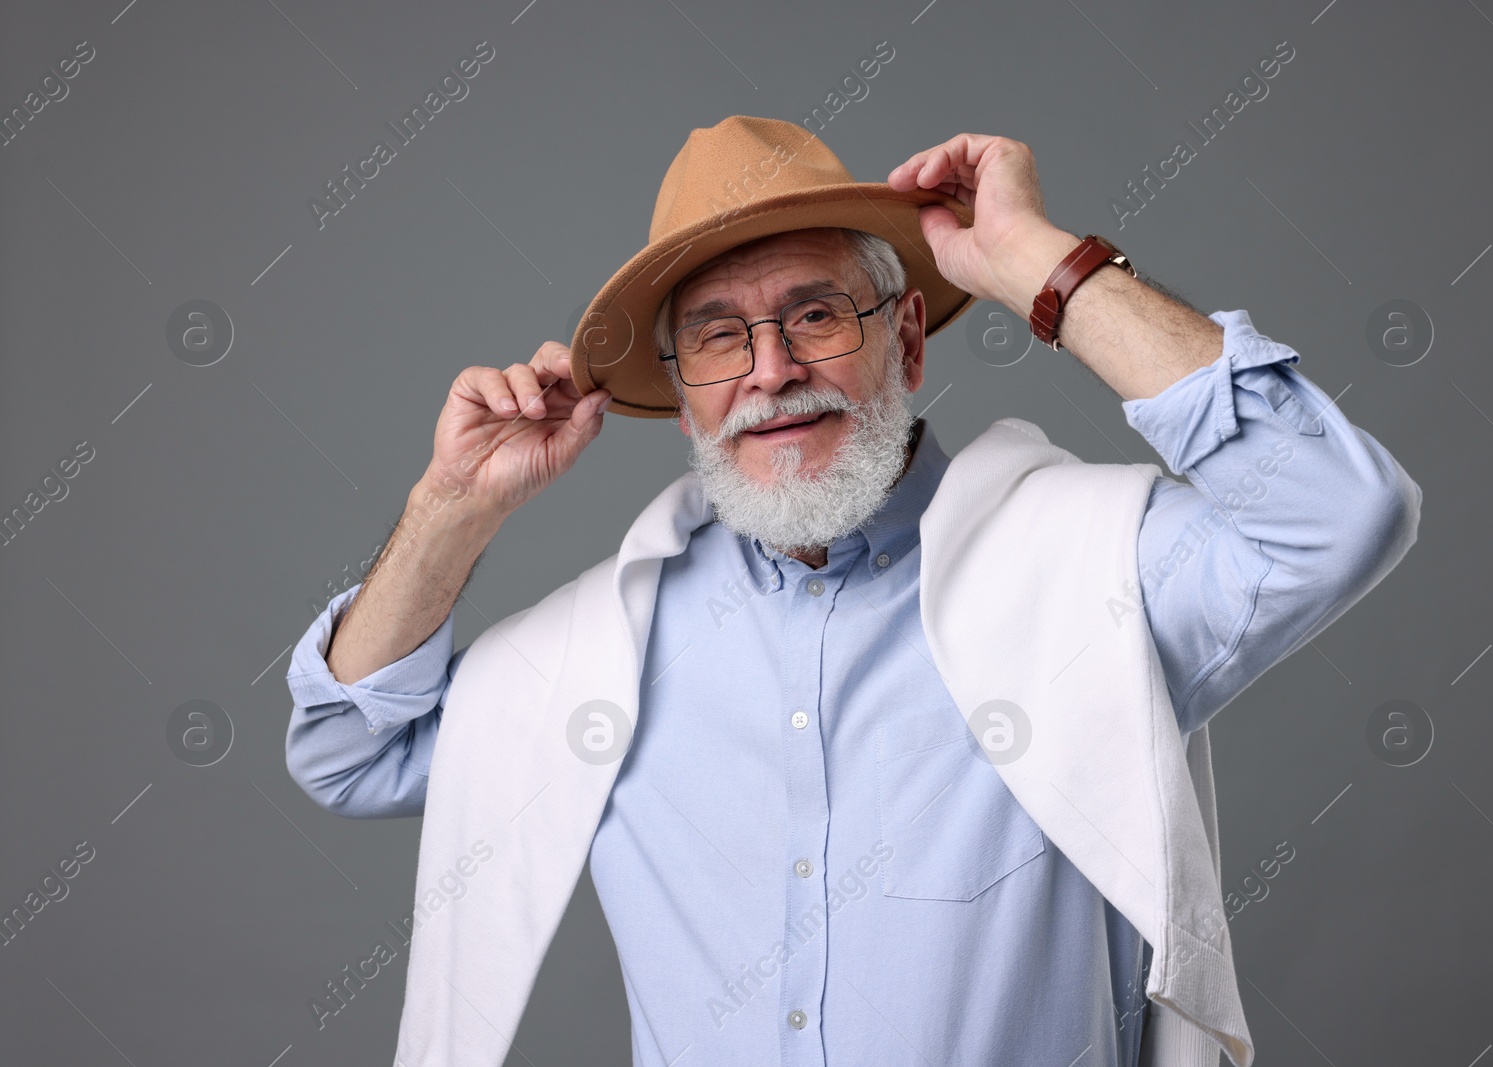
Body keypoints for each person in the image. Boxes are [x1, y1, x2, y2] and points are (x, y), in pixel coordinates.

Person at [284, 116, 1420, 1067]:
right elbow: (349, 746)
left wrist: (1039, 263)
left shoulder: (1088, 578)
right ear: (684, 400)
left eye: (815, 315)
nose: (771, 371)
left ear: (909, 338)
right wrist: (452, 506)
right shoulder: (600, 654)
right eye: (720, 338)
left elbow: (1332, 509)